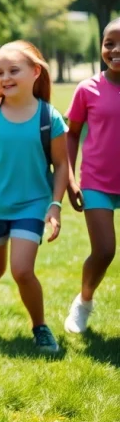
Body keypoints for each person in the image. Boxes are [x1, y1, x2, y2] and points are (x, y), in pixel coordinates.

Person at [0, 41, 68, 353]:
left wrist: (55, 205)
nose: (5, 78)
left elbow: (62, 165)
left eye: (13, 70)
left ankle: (40, 327)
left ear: (35, 72)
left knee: (22, 270)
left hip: (32, 205)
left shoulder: (49, 117)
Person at [62, 17, 120, 335]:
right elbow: (71, 135)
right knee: (105, 251)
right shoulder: (88, 89)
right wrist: (70, 177)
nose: (116, 49)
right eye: (109, 43)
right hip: (97, 179)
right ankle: (84, 301)